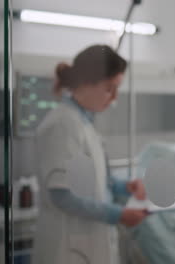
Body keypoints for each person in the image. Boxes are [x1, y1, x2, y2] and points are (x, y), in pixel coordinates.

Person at [33, 45, 147, 264]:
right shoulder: (62, 125)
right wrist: (118, 215)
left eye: (117, 89)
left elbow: (97, 183)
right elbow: (63, 196)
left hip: (89, 246)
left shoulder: (84, 124)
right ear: (86, 82)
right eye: (109, 88)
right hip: (66, 249)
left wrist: (125, 187)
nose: (114, 98)